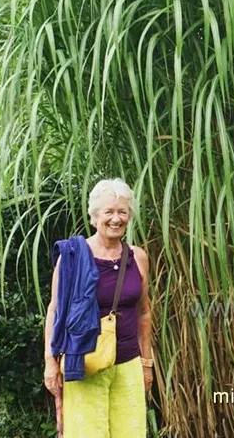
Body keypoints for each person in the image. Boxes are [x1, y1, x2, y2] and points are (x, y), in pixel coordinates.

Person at [43, 178, 153, 437]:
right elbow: (54, 311)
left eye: (122, 212)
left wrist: (146, 364)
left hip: (128, 365)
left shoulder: (138, 257)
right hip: (85, 364)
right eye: (109, 212)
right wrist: (50, 362)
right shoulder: (71, 256)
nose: (116, 219)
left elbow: (144, 312)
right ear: (94, 217)